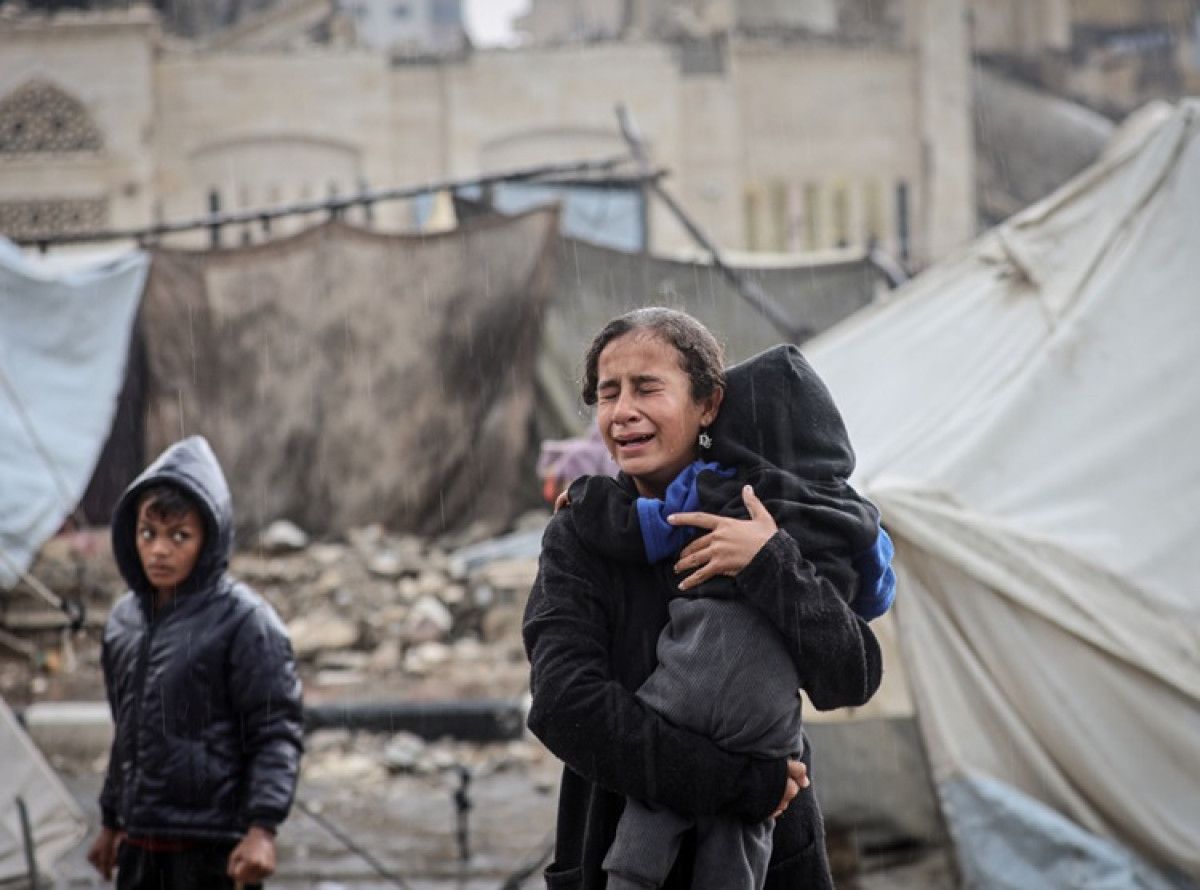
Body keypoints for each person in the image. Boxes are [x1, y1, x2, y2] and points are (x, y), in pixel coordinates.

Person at [523, 308, 887, 889]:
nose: (623, 411)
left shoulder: (768, 512)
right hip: (617, 848)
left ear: (708, 404)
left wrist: (770, 564)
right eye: (609, 393)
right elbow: (565, 705)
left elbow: (850, 677)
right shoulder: (582, 533)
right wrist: (740, 785)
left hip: (773, 862)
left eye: (647, 388)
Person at [87, 435, 304, 890]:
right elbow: (127, 733)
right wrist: (110, 820)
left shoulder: (245, 621)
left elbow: (275, 732)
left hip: (212, 847)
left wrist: (263, 829)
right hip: (141, 844)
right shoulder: (124, 622)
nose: (159, 550)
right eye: (148, 533)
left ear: (209, 539)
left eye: (179, 536)